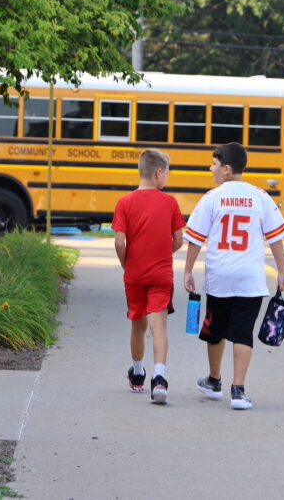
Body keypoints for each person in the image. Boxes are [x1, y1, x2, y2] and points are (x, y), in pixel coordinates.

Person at [182, 142, 284, 410]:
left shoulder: (212, 198)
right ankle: (239, 391)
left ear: (227, 169)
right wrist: (282, 271)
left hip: (220, 278)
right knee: (242, 333)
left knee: (214, 330)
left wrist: (187, 270)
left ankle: (214, 380)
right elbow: (275, 237)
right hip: (250, 279)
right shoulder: (261, 197)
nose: (211, 169)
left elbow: (196, 237)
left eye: (214, 164)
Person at [113, 148, 185, 404]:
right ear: (158, 173)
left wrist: (127, 264)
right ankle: (160, 379)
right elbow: (178, 240)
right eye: (167, 173)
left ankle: (138, 373)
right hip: (161, 274)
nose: (167, 178)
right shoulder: (170, 203)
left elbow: (119, 242)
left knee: (138, 325)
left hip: (134, 275)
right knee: (159, 327)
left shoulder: (125, 203)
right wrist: (163, 251)